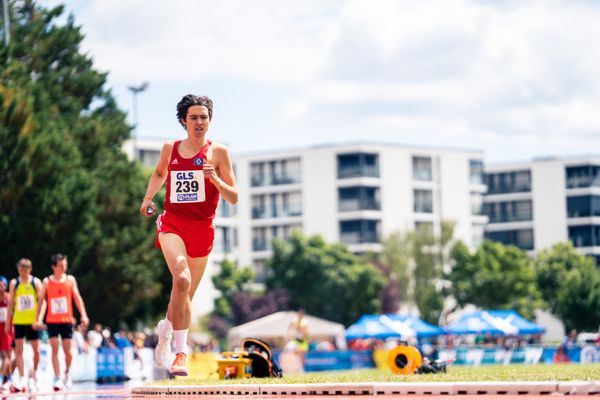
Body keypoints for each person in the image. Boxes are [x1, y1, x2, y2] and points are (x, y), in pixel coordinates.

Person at [140, 94, 238, 376]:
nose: (199, 122)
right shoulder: (170, 149)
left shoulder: (219, 153)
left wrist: (215, 179)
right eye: (193, 117)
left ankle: (166, 330)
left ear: (210, 121)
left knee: (185, 296)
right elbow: (159, 173)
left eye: (203, 117)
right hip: (173, 223)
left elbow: (233, 197)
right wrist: (148, 198)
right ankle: (181, 352)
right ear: (183, 121)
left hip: (202, 229)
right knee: (181, 278)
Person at [36, 253, 89, 391]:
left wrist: (83, 315)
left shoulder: (70, 280)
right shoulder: (46, 282)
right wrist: (38, 318)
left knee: (68, 351)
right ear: (53, 266)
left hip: (66, 321)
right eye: (61, 265)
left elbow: (77, 298)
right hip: (52, 321)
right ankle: (58, 378)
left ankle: (66, 373)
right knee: (54, 349)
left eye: (65, 264)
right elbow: (41, 301)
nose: (64, 267)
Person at [5, 258, 43, 393]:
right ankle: (21, 378)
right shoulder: (14, 283)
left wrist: (39, 319)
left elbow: (42, 302)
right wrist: (8, 323)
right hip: (19, 321)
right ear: (18, 269)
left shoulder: (36, 282)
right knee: (19, 351)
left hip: (32, 322)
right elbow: (10, 304)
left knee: (36, 350)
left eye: (25, 269)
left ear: (30, 269)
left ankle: (34, 375)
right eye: (20, 269)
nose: (23, 272)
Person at [0, 276, 13, 390]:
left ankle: (3, 378)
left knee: (6, 355)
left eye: (1, 285)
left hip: (7, 330)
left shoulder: (9, 298)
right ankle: (8, 378)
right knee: (5, 356)